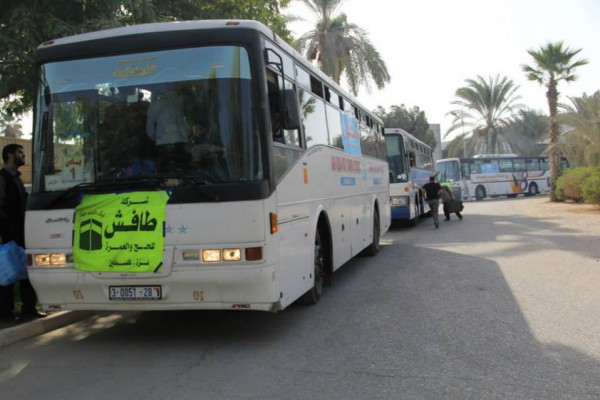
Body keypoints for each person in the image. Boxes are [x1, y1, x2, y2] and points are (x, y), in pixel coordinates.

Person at [0, 144, 46, 322]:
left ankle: (29, 308)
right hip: (8, 235)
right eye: (19, 152)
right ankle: (5, 312)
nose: (23, 155)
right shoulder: (3, 178)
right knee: (7, 272)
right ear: (10, 155)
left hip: (22, 233)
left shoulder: (17, 179)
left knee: (27, 271)